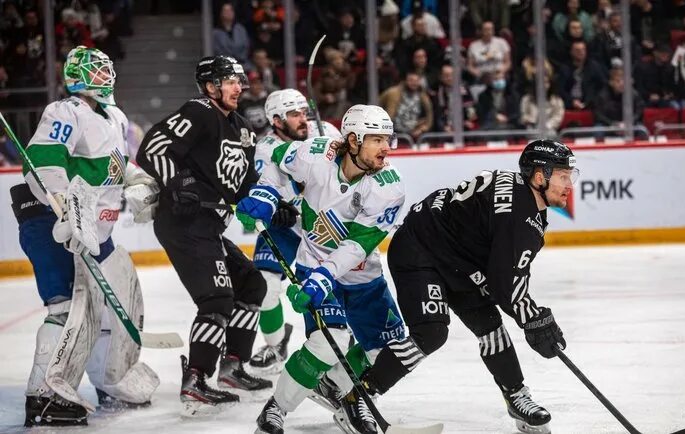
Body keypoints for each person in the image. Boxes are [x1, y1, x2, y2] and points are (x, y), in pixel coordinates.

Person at [357, 140, 578, 434]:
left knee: (492, 329)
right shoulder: (521, 217)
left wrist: (531, 316)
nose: (569, 185)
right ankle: (362, 395)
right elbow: (505, 285)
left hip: (459, 261)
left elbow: (505, 277)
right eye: (563, 176)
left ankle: (515, 396)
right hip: (419, 250)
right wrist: (533, 317)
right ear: (540, 177)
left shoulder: (524, 204)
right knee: (431, 333)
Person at [10, 46, 159, 427]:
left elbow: (119, 166)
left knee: (108, 311)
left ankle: (108, 380)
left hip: (95, 232)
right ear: (78, 75)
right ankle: (43, 397)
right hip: (52, 224)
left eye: (106, 67)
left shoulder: (116, 117)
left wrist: (141, 183)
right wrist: (64, 211)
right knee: (66, 308)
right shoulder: (65, 111)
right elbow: (44, 163)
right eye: (96, 69)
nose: (106, 73)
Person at [237, 104, 406, 434]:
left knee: (388, 349)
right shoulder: (315, 154)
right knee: (330, 343)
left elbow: (356, 246)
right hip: (312, 262)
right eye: (377, 140)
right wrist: (267, 193)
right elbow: (273, 156)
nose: (387, 148)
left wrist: (323, 277)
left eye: (388, 139)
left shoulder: (389, 186)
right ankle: (275, 410)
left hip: (360, 276)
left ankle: (343, 392)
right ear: (353, 140)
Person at [135, 55, 271, 416]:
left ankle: (232, 367)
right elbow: (151, 149)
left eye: (239, 80)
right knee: (216, 299)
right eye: (230, 81)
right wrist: (178, 181)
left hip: (209, 225)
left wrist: (270, 204)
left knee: (252, 285)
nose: (238, 86)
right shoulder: (198, 111)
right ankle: (196, 378)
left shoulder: (241, 128)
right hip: (184, 223)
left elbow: (244, 184)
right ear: (211, 86)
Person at [248, 88, 342, 374]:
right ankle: (275, 347)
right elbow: (269, 187)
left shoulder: (325, 132)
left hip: (323, 229)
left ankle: (334, 348)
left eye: (304, 112)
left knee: (327, 292)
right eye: (293, 114)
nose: (303, 119)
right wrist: (276, 207)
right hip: (286, 228)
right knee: (263, 286)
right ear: (276, 120)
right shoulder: (265, 147)